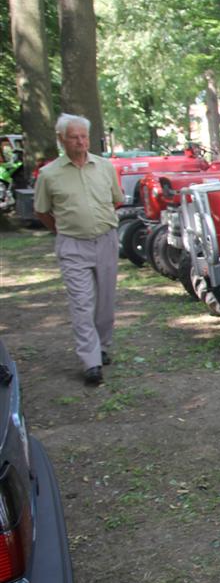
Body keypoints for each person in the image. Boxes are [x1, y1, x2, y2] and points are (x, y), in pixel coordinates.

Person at [34, 114, 125, 385]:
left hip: (106, 239)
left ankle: (103, 346)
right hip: (73, 244)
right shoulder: (50, 174)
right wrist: (64, 230)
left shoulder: (105, 167)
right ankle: (90, 361)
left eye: (83, 136)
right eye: (74, 137)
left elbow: (116, 201)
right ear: (62, 139)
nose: (80, 142)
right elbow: (42, 211)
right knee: (82, 303)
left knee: (106, 302)